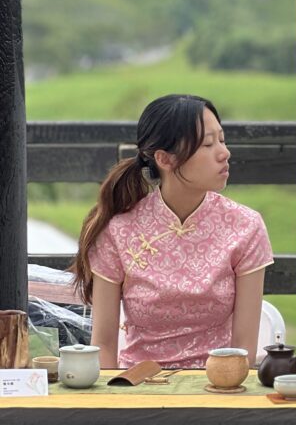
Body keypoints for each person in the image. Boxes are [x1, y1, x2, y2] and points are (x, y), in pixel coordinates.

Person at [70, 94, 274, 369]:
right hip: (138, 389)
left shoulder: (245, 226)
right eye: (207, 144)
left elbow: (243, 351)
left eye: (222, 140)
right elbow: (104, 346)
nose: (224, 153)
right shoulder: (119, 230)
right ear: (164, 159)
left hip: (218, 387)